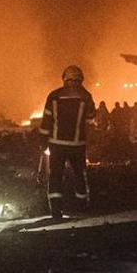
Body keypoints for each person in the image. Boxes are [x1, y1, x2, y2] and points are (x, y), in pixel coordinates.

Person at [37, 65, 97, 217]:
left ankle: (56, 211)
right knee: (79, 175)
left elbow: (46, 121)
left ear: (64, 78)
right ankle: (82, 208)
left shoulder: (54, 96)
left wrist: (42, 141)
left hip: (56, 144)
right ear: (81, 80)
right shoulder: (85, 96)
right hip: (77, 144)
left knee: (55, 175)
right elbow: (91, 116)